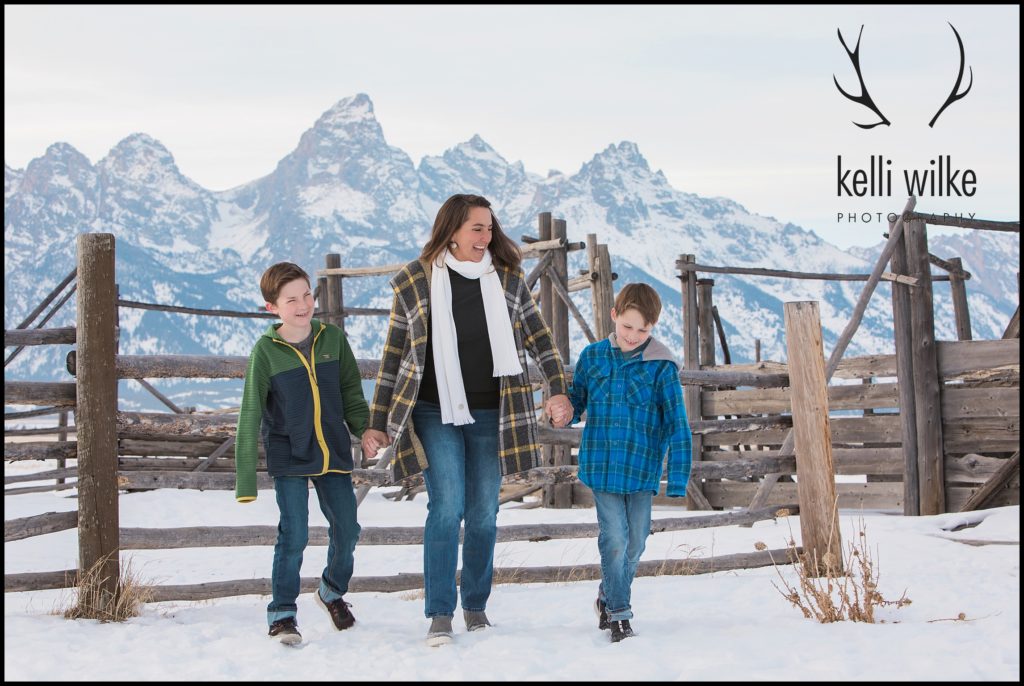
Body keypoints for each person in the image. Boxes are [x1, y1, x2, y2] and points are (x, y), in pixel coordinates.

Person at [361, 193, 573, 647]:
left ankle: (475, 606)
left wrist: (557, 389)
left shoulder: (509, 281)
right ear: (452, 229)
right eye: (477, 228)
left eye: (490, 228)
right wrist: (377, 421)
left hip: (494, 413)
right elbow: (394, 356)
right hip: (434, 411)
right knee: (448, 505)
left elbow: (542, 342)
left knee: (483, 512)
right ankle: (440, 612)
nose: (486, 236)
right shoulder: (414, 282)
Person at [235, 262, 369, 646]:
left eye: (307, 295)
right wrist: (245, 479)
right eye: (291, 299)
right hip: (289, 454)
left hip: (333, 452)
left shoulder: (333, 340)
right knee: (293, 533)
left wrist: (366, 431)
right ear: (271, 307)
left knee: (348, 527)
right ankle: (282, 615)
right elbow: (250, 413)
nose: (303, 304)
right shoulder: (266, 352)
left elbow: (352, 396)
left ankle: (331, 591)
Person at [567, 282, 692, 643]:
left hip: (641, 470)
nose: (634, 335)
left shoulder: (661, 368)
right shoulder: (592, 357)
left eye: (643, 329)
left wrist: (678, 478)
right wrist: (564, 411)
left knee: (636, 541)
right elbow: (577, 401)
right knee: (615, 540)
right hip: (603, 467)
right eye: (627, 326)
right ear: (614, 317)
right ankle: (619, 616)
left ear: (653, 327)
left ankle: (607, 596)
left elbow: (677, 424)